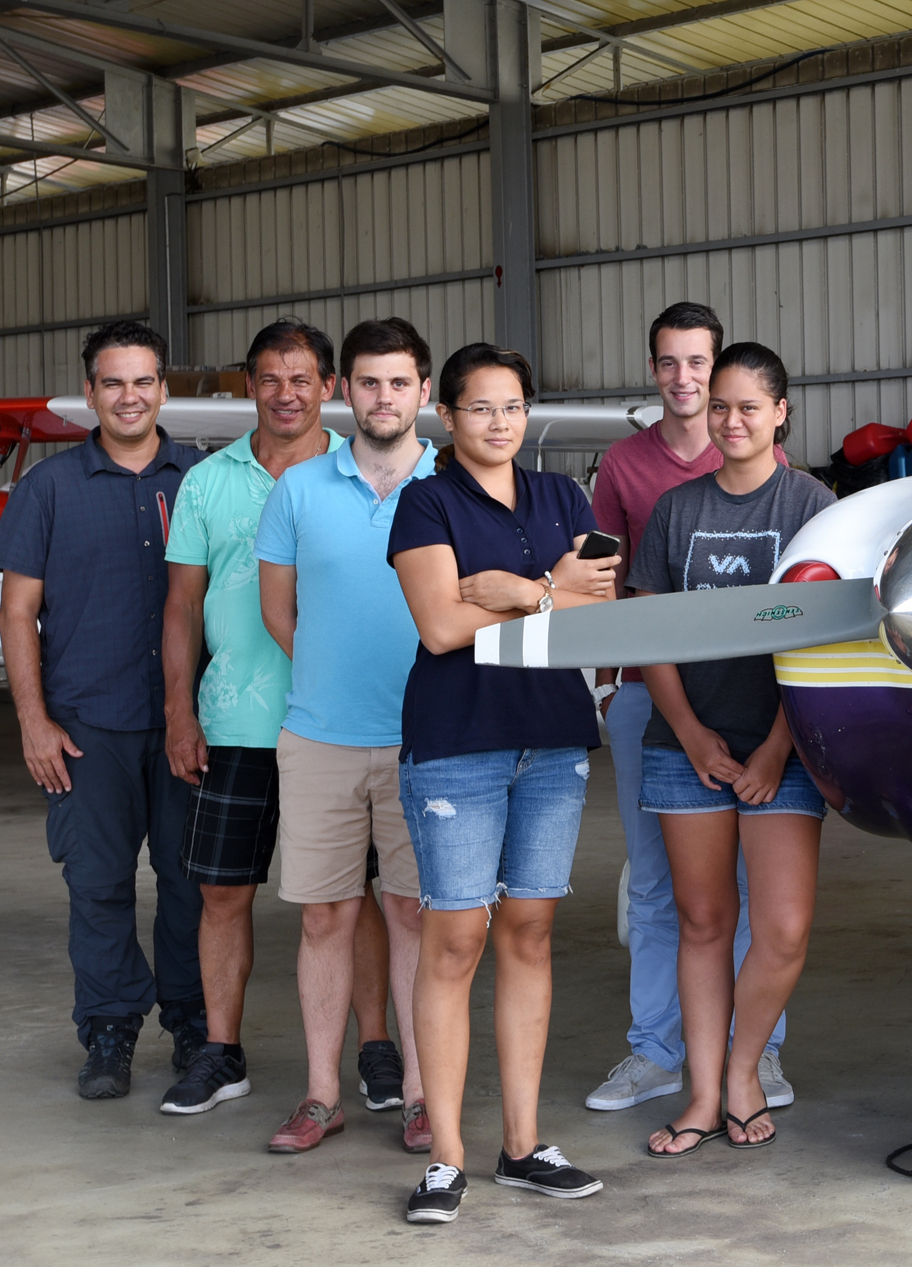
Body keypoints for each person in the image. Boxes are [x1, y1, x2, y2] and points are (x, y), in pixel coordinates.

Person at [390, 343, 618, 1224]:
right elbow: (442, 625)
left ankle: (521, 1145)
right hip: (458, 743)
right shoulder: (426, 500)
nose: (499, 422)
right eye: (480, 407)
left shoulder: (564, 497)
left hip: (552, 740)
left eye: (513, 406)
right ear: (446, 417)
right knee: (454, 940)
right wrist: (546, 589)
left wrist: (522, 589)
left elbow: (597, 607)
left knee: (529, 934)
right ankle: (444, 1157)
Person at [585, 302, 795, 1116]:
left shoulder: (782, 478)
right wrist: (610, 683)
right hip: (654, 699)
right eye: (669, 363)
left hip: (756, 708)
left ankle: (759, 1049)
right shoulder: (627, 469)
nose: (686, 379)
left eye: (698, 364)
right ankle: (655, 1050)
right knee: (654, 884)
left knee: (750, 884)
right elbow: (606, 581)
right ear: (654, 372)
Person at [628, 342, 836, 1158]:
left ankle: (744, 1065)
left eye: (749, 406)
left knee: (782, 927)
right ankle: (705, 1091)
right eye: (719, 406)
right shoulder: (678, 510)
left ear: (781, 411)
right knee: (704, 920)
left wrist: (778, 748)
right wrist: (688, 731)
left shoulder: (814, 504)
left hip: (783, 745)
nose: (731, 420)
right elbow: (649, 632)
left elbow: (827, 644)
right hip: (686, 744)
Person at [0, 321, 208, 1100]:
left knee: (192, 884)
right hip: (88, 726)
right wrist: (32, 720)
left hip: (192, 723)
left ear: (162, 388)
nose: (129, 395)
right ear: (89, 393)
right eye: (112, 382)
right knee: (99, 883)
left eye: (143, 380)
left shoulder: (203, 480)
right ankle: (111, 1030)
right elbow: (17, 613)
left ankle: (195, 1022)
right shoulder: (46, 489)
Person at [156, 320, 353, 1129]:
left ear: (328, 387)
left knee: (351, 900)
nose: (285, 392)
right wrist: (179, 709)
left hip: (339, 723)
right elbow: (180, 607)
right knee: (221, 891)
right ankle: (222, 1051)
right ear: (249, 386)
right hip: (235, 719)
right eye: (270, 378)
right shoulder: (208, 482)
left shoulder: (359, 473)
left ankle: (371, 1051)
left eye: (301, 378)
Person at [256, 318, 445, 1156]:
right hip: (320, 740)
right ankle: (322, 1094)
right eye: (368, 382)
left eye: (398, 382)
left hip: (430, 738)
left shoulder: (454, 485)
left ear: (424, 393)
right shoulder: (298, 488)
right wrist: (332, 673)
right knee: (326, 917)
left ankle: (418, 1094)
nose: (383, 397)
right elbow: (275, 609)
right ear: (345, 391)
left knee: (413, 913)